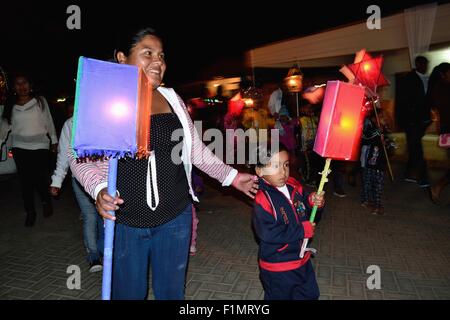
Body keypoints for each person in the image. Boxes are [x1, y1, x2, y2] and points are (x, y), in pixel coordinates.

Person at [69, 27, 258, 300]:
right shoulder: (104, 99)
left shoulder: (172, 99)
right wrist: (99, 189)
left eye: (161, 55)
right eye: (147, 53)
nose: (158, 61)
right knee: (129, 294)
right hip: (126, 223)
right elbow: (80, 157)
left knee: (171, 293)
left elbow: (194, 150)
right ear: (122, 57)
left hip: (175, 219)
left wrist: (232, 177)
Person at [252, 143, 325, 300]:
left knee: (310, 294)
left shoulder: (294, 186)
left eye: (285, 165)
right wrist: (301, 230)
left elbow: (307, 212)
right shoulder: (263, 199)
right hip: (278, 266)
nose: (283, 172)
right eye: (275, 166)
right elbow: (268, 233)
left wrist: (314, 204)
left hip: (301, 259)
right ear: (260, 171)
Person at [49, 97, 104, 272]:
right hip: (80, 179)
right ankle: (94, 256)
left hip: (105, 177)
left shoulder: (104, 119)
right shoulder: (71, 124)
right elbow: (64, 154)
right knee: (90, 216)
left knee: (106, 217)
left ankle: (105, 252)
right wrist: (57, 180)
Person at [2, 73, 58, 226]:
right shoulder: (10, 105)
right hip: (20, 147)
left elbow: (48, 121)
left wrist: (54, 140)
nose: (22, 86)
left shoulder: (40, 101)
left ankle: (46, 201)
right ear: (14, 87)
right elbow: (5, 127)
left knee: (40, 178)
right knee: (25, 181)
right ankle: (30, 212)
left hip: (40, 145)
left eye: (24, 82)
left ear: (30, 84)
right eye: (18, 84)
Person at [396, 55, 431, 187]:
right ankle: (422, 177)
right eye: (423, 64)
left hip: (422, 120)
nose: (425, 66)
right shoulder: (409, 79)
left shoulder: (426, 78)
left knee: (414, 147)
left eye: (426, 64)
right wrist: (405, 120)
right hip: (412, 121)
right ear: (417, 64)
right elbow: (403, 101)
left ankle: (408, 173)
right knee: (417, 148)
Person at [427, 62, 450, 204]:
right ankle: (437, 187)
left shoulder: (441, 88)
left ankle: (437, 187)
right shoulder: (442, 88)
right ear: (443, 74)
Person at [360, 111, 387, 216]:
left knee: (378, 185)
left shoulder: (385, 129)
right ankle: (366, 200)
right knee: (367, 181)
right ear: (374, 118)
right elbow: (365, 137)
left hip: (380, 163)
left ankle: (378, 204)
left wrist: (387, 143)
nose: (383, 118)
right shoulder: (369, 127)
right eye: (380, 116)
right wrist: (377, 132)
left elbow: (392, 143)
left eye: (383, 116)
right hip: (370, 161)